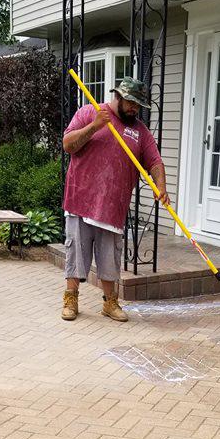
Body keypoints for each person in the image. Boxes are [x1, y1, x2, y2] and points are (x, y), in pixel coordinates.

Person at [61, 77, 170, 322]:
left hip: (112, 206)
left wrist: (160, 185)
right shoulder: (90, 112)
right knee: (75, 253)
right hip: (81, 199)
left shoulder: (139, 131)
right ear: (118, 97)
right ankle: (71, 299)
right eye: (131, 103)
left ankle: (110, 303)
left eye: (138, 106)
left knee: (110, 258)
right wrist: (94, 126)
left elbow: (154, 161)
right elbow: (68, 144)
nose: (134, 109)